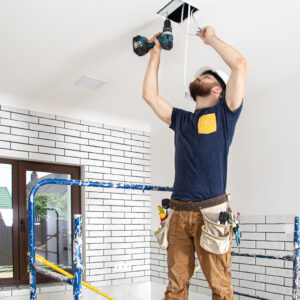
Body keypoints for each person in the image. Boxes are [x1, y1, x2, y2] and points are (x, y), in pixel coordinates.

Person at [142, 25, 247, 300]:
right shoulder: (182, 120)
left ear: (217, 89)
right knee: (175, 288)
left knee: (221, 289)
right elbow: (150, 96)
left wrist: (211, 40)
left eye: (206, 75)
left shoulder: (226, 115)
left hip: (211, 213)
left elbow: (239, 64)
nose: (198, 76)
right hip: (178, 213)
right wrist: (155, 55)